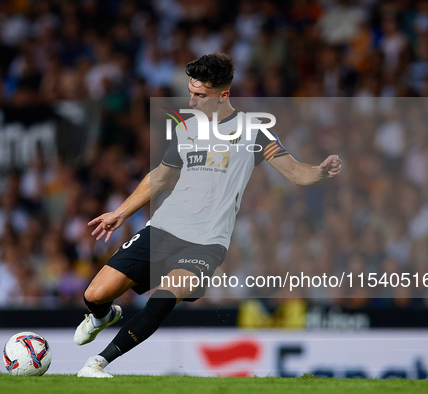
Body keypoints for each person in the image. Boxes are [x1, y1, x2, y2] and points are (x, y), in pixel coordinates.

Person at [74, 53, 342, 378]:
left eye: (199, 95)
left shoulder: (253, 131)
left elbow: (297, 173)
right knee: (94, 295)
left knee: (163, 298)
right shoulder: (186, 129)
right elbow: (159, 177)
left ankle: (98, 363)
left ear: (223, 95)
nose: (191, 100)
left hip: (206, 242)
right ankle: (101, 316)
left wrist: (321, 172)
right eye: (190, 92)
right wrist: (120, 212)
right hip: (163, 229)